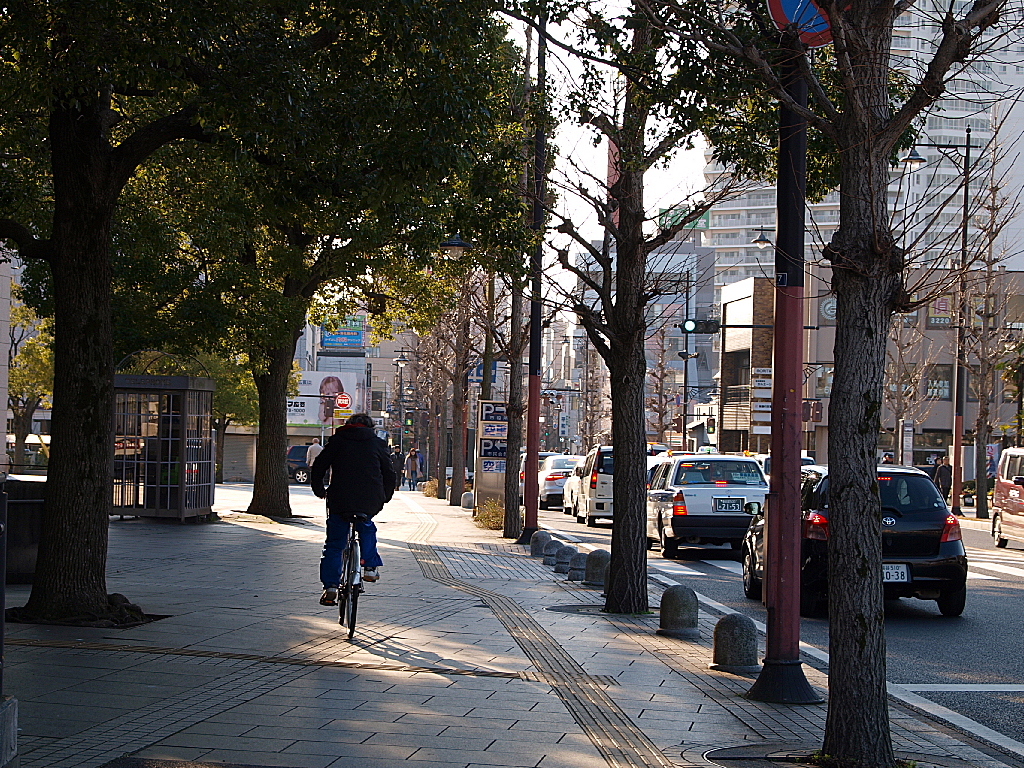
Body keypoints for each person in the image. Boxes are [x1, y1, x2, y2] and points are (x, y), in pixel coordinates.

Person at [310, 413, 396, 605]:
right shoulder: (377, 443)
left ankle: (331, 586)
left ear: (349, 425)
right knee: (366, 526)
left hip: (340, 498)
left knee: (334, 544)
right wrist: (385, 496)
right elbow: (389, 473)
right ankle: (370, 567)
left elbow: (319, 466)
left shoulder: (338, 440)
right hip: (369, 498)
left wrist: (319, 490)